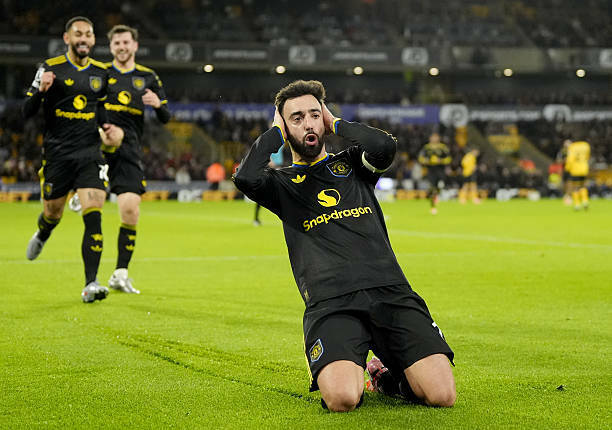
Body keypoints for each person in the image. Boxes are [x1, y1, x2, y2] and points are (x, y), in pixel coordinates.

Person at [233, 80, 455, 412]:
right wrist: (275, 133)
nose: (308, 123)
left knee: (442, 395)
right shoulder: (281, 184)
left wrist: (336, 123)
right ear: (283, 126)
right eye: (297, 118)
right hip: (332, 303)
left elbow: (384, 146)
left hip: (390, 292)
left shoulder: (353, 164)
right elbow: (246, 177)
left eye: (314, 114)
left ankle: (385, 376)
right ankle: (339, 359)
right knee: (343, 399)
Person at [23, 16, 124, 303]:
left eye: (88, 34)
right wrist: (41, 91)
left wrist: (107, 127)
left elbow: (100, 108)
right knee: (53, 213)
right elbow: (26, 111)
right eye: (78, 34)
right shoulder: (49, 67)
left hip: (89, 154)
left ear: (93, 40)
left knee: (94, 215)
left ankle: (91, 284)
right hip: (57, 155)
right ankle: (44, 232)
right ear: (67, 38)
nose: (84, 39)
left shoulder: (101, 72)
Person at [69, 24, 171, 294]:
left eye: (126, 42)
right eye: (117, 43)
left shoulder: (148, 76)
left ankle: (120, 273)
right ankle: (78, 189)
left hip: (130, 150)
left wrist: (158, 105)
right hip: (98, 147)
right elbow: (83, 105)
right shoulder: (100, 73)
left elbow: (166, 117)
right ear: (111, 47)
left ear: (135, 45)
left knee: (130, 210)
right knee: (94, 205)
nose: (122, 47)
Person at [418, 132, 451, 214]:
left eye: (436, 137)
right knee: (432, 187)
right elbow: (420, 158)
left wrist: (441, 160)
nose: (434, 139)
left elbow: (449, 158)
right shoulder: (426, 147)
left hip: (440, 169)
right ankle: (433, 206)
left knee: (441, 185)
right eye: (433, 137)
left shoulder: (442, 147)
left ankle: (437, 195)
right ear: (430, 138)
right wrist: (427, 161)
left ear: (438, 138)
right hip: (431, 170)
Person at [565, 139, 591, 210]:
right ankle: (585, 201)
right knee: (583, 185)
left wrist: (567, 168)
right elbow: (588, 156)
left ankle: (577, 204)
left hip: (575, 169)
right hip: (584, 168)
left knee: (575, 187)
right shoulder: (586, 145)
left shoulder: (572, 147)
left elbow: (570, 159)